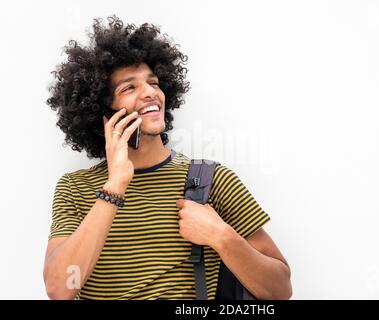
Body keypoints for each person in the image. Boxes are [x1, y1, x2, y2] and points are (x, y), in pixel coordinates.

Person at [43, 15, 292, 300]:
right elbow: (60, 288)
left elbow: (280, 290)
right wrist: (114, 187)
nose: (151, 93)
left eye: (154, 82)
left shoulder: (211, 180)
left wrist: (222, 237)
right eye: (129, 87)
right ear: (103, 113)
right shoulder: (75, 189)